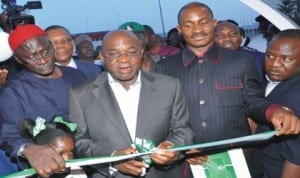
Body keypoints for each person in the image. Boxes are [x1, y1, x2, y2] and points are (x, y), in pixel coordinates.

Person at [155, 2, 300, 178]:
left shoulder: (241, 61)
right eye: (188, 24)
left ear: (214, 23)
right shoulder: (164, 68)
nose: (197, 29)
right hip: (188, 165)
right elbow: (162, 116)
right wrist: (179, 147)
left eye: (203, 22)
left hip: (238, 162)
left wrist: (274, 111)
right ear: (179, 29)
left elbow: (253, 102)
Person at [68, 29, 194, 178]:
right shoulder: (80, 95)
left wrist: (173, 147)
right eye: (114, 54)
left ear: (141, 53)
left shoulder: (169, 86)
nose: (124, 59)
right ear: (101, 56)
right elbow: (79, 142)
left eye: (131, 52)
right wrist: (113, 159)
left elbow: (183, 129)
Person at [0, 24, 86, 177]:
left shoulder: (77, 76)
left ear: (51, 47)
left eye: (45, 52)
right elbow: (8, 136)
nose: (42, 60)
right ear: (19, 59)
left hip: (87, 161)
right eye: (32, 56)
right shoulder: (13, 91)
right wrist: (28, 149)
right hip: (45, 171)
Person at [257, 29, 300, 178]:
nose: (275, 64)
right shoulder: (269, 81)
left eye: (286, 59)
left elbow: (296, 157)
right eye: (270, 56)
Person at [19, 116, 87, 178]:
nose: (68, 158)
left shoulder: (77, 173)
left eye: (71, 152)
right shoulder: (28, 175)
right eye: (60, 153)